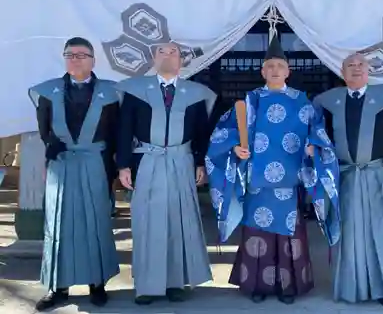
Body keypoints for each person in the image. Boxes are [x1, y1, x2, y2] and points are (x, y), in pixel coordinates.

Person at [205, 36, 341, 305]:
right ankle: (257, 284)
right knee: (257, 232)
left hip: (289, 181)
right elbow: (224, 133)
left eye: (280, 65)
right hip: (256, 180)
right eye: (270, 66)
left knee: (289, 233)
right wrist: (235, 148)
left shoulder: (303, 103)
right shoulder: (249, 101)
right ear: (262, 71)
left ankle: (289, 285)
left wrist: (314, 147)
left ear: (288, 71)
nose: (276, 70)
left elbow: (319, 133)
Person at [116, 41, 217, 305]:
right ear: (153, 57)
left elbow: (201, 132)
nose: (169, 55)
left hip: (181, 161)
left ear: (182, 60)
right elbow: (124, 128)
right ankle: (147, 285)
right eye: (162, 51)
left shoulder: (195, 93)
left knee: (178, 221)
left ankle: (175, 283)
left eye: (174, 52)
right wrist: (124, 164)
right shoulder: (136, 89)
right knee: (147, 222)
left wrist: (200, 162)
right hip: (146, 161)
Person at [314, 53, 383, 309]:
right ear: (343, 73)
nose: (356, 69)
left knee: (380, 231)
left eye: (360, 65)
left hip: (377, 174)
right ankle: (352, 286)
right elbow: (321, 137)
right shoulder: (331, 102)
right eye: (350, 65)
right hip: (345, 176)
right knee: (349, 231)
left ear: (369, 70)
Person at [28, 37, 120, 311]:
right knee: (59, 224)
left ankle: (97, 283)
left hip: (95, 161)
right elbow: (44, 129)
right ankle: (58, 287)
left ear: (93, 60)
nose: (76, 58)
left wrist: (113, 168)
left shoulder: (111, 93)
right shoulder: (48, 92)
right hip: (63, 163)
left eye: (82, 54)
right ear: (64, 58)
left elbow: (115, 132)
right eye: (70, 54)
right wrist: (51, 152)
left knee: (96, 221)